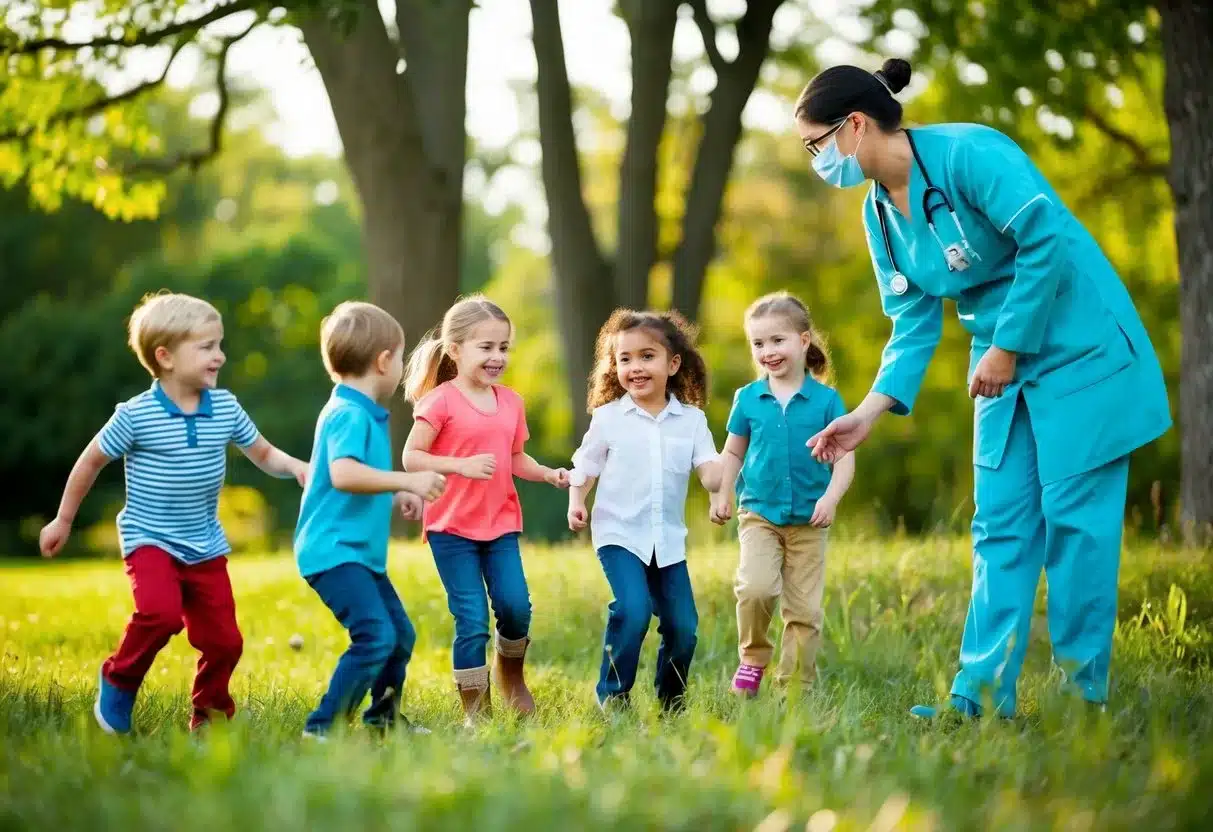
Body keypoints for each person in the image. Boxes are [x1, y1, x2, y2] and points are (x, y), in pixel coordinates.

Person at [795, 58, 1172, 718]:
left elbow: (1044, 235)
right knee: (998, 524)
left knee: (1075, 526)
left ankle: (1081, 702)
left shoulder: (970, 153)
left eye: (814, 145)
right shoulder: (878, 214)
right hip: (998, 366)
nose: (814, 162)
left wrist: (1005, 346)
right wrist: (868, 411)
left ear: (853, 125)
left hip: (1077, 345)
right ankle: (977, 696)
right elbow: (910, 321)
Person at [38, 292, 309, 735]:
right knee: (160, 615)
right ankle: (119, 679)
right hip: (150, 539)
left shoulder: (224, 407)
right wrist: (64, 519)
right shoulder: (136, 415)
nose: (219, 356)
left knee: (225, 642)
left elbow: (263, 452)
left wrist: (295, 466)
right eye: (206, 347)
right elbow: (90, 461)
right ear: (165, 357)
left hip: (205, 544)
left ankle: (209, 717)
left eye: (219, 345)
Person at [402, 294, 569, 724]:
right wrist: (460, 465)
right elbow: (412, 458)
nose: (498, 357)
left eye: (504, 348)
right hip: (451, 528)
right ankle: (476, 712)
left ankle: (510, 673)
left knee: (516, 606)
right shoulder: (439, 401)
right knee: (471, 617)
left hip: (500, 524)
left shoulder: (511, 402)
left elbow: (515, 459)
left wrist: (548, 473)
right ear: (455, 350)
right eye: (487, 347)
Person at [294, 301, 447, 740]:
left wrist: (396, 490)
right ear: (384, 361)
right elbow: (343, 474)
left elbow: (357, 473)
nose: (400, 366)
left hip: (357, 554)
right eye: (400, 358)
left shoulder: (358, 411)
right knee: (376, 636)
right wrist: (409, 480)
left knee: (399, 636)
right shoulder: (348, 413)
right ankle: (322, 726)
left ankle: (382, 718)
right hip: (333, 552)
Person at [568, 309, 722, 714]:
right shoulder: (608, 418)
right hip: (619, 535)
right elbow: (586, 466)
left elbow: (709, 468)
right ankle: (613, 697)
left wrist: (724, 477)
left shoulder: (691, 421)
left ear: (673, 364)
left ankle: (671, 702)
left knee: (683, 628)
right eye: (625, 359)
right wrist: (576, 501)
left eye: (647, 356)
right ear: (614, 366)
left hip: (667, 541)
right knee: (632, 610)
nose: (635, 367)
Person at [710, 292, 856, 698]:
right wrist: (722, 494)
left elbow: (845, 459)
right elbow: (734, 450)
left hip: (810, 520)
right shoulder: (748, 398)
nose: (767, 351)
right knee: (756, 588)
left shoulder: (828, 401)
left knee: (805, 610)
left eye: (778, 341)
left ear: (804, 341)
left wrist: (830, 499)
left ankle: (795, 687)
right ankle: (753, 657)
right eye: (758, 343)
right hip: (758, 513)